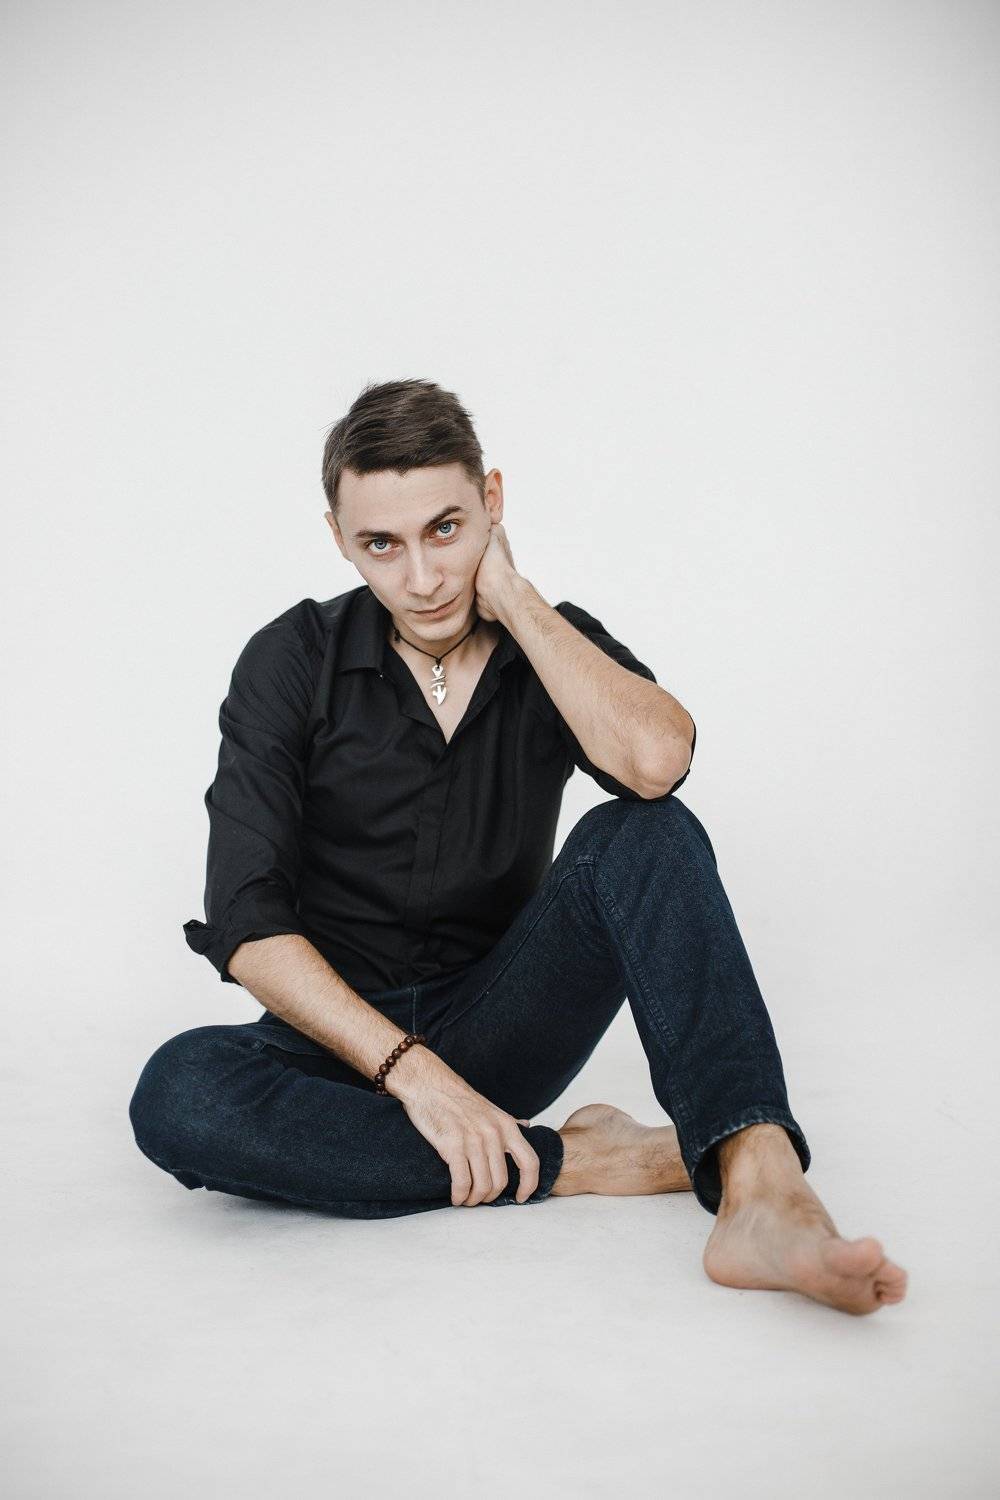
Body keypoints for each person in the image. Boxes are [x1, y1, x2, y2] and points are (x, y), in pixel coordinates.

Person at [129, 378, 908, 1317]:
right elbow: (246, 923)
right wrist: (414, 1079)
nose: (423, 578)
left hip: (501, 1027)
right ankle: (577, 1159)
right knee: (180, 1094)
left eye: (446, 529)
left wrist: (515, 598)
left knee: (647, 832)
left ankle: (762, 1184)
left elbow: (657, 764)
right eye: (383, 544)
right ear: (339, 538)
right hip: (338, 1046)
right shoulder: (290, 658)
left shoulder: (550, 642)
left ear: (491, 501)